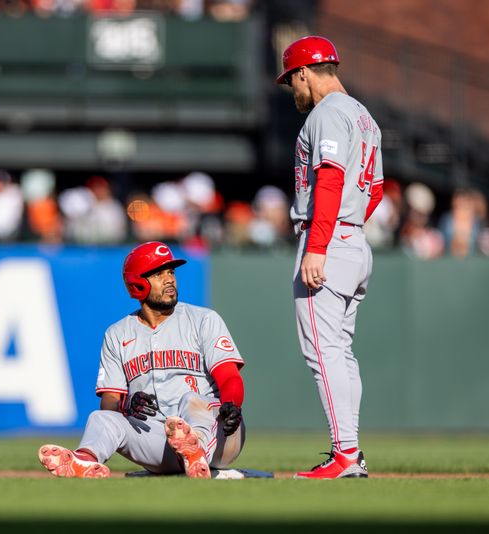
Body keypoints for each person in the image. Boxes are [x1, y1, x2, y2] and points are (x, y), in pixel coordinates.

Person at [38, 241, 246, 478]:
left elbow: (229, 375)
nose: (169, 279)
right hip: (159, 441)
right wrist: (127, 406)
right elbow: (110, 401)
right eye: (159, 274)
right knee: (101, 418)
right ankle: (83, 460)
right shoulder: (117, 334)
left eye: (171, 272)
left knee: (191, 400)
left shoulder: (203, 319)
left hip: (218, 432)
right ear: (137, 285)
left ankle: (194, 450)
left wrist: (232, 404)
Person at [277, 36, 384, 479]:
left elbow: (331, 179)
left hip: (328, 239)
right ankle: (350, 453)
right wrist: (349, 229)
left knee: (322, 353)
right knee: (339, 352)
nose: (292, 91)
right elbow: (374, 190)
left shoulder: (327, 113)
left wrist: (320, 245)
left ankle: (344, 455)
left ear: (304, 72)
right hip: (354, 240)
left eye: (291, 81)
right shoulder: (365, 116)